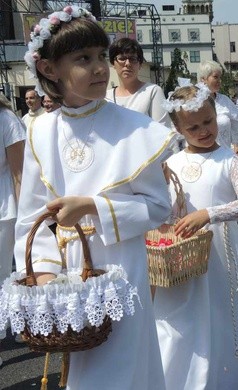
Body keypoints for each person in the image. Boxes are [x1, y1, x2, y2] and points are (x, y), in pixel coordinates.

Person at [14, 7, 173, 389]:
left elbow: (157, 206)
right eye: (83, 59)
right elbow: (31, 217)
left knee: (121, 366)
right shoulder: (40, 130)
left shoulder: (137, 130)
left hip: (120, 269)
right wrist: (47, 274)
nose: (101, 68)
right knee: (79, 371)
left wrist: (93, 206)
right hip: (67, 277)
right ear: (51, 69)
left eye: (102, 56)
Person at [154, 83, 238, 389]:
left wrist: (208, 214)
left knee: (226, 316)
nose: (203, 131)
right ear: (177, 129)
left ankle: (233, 378)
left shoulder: (228, 158)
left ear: (217, 117)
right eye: (193, 127)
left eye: (208, 122)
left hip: (224, 252)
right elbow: (171, 212)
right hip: (186, 253)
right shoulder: (172, 164)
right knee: (188, 321)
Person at [0, 94, 25, 368]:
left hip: (4, 209)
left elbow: (19, 174)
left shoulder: (7, 120)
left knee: (4, 273)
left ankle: (17, 323)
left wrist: (26, 219)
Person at [105, 37, 172, 129]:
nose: (127, 63)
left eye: (133, 59)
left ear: (140, 64)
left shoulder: (152, 92)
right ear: (113, 63)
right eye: (122, 58)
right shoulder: (106, 97)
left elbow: (162, 130)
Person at [198, 60, 238, 153]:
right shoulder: (191, 102)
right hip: (199, 161)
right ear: (203, 78)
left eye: (220, 78)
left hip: (224, 158)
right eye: (215, 77)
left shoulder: (225, 101)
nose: (219, 81)